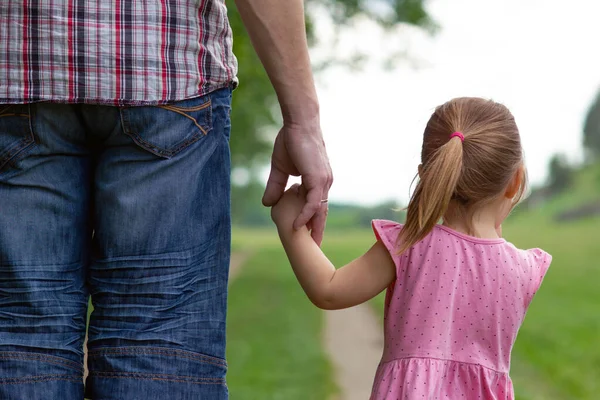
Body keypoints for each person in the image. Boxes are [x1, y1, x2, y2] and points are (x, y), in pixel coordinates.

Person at [0, 0, 331, 399]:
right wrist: (302, 122)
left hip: (17, 72)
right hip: (165, 69)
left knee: (18, 340)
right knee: (160, 348)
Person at [271, 97, 551, 399]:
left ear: (427, 176)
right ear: (515, 181)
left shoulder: (411, 245)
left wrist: (292, 225)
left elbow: (329, 289)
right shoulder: (523, 268)